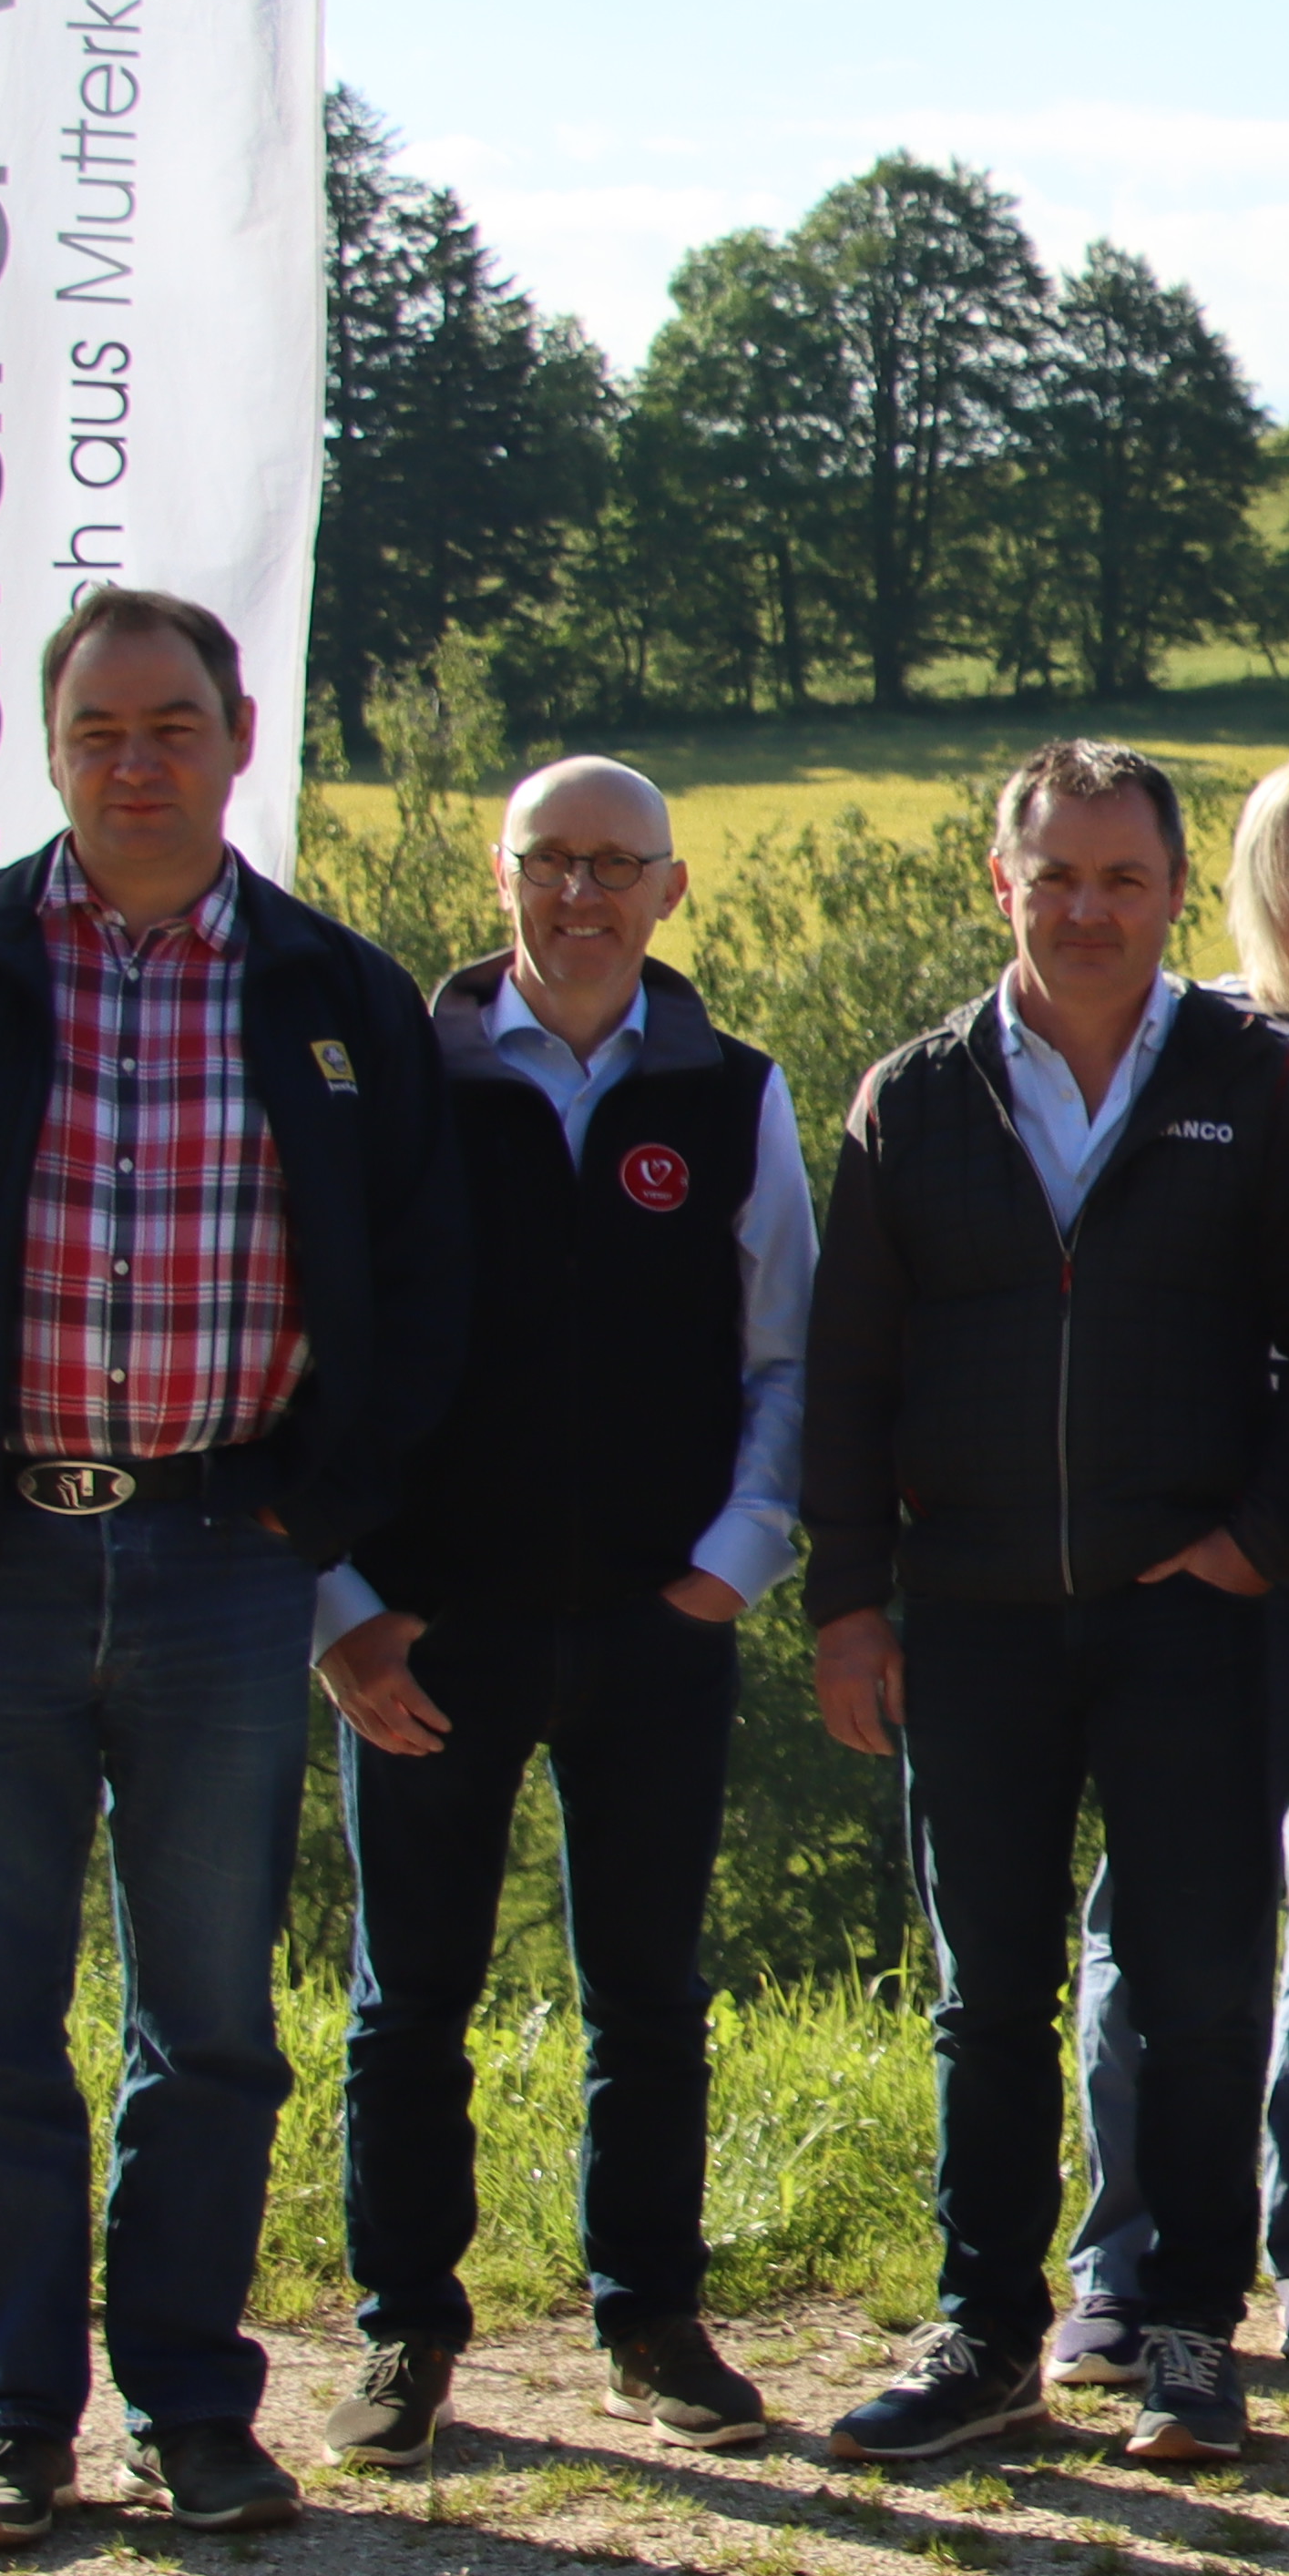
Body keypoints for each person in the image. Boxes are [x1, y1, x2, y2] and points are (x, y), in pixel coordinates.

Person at [0, 586, 459, 2558]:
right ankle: (9, 2420)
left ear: (239, 739)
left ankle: (192, 2408)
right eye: (99, 732)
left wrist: (318, 1516)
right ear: (51, 751)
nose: (136, 764)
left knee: (210, 2026)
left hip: (227, 1563)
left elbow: (417, 1294)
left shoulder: (333, 992)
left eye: (171, 727)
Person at [803, 743, 1289, 2477]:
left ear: (1177, 890)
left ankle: (1187, 2335)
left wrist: (1259, 1539)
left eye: (1123, 879)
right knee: (989, 1996)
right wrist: (846, 1604)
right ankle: (985, 2336)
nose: (1089, 911)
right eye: (1057, 877)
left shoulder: (1251, 1081)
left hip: (1187, 1615)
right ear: (1003, 883)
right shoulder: (913, 1098)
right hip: (969, 1620)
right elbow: (846, 1376)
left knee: (1202, 1988)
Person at [308, 755, 802, 2472]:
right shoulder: (399, 1080)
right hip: (426, 1630)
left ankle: (651, 2321)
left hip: (655, 1624)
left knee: (648, 1996)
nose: (582, 894)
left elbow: (786, 1352)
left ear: (672, 889)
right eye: (552, 861)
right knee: (410, 2003)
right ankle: (406, 2333)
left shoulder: (734, 1091)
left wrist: (731, 1565)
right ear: (501, 876)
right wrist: (342, 1606)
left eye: (616, 865)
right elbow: (315, 1339)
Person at [1046, 751, 1289, 2389]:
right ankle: (1125, 2256)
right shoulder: (1190, 1037)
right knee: (1161, 1907)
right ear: (1247, 887)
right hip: (1199, 1550)